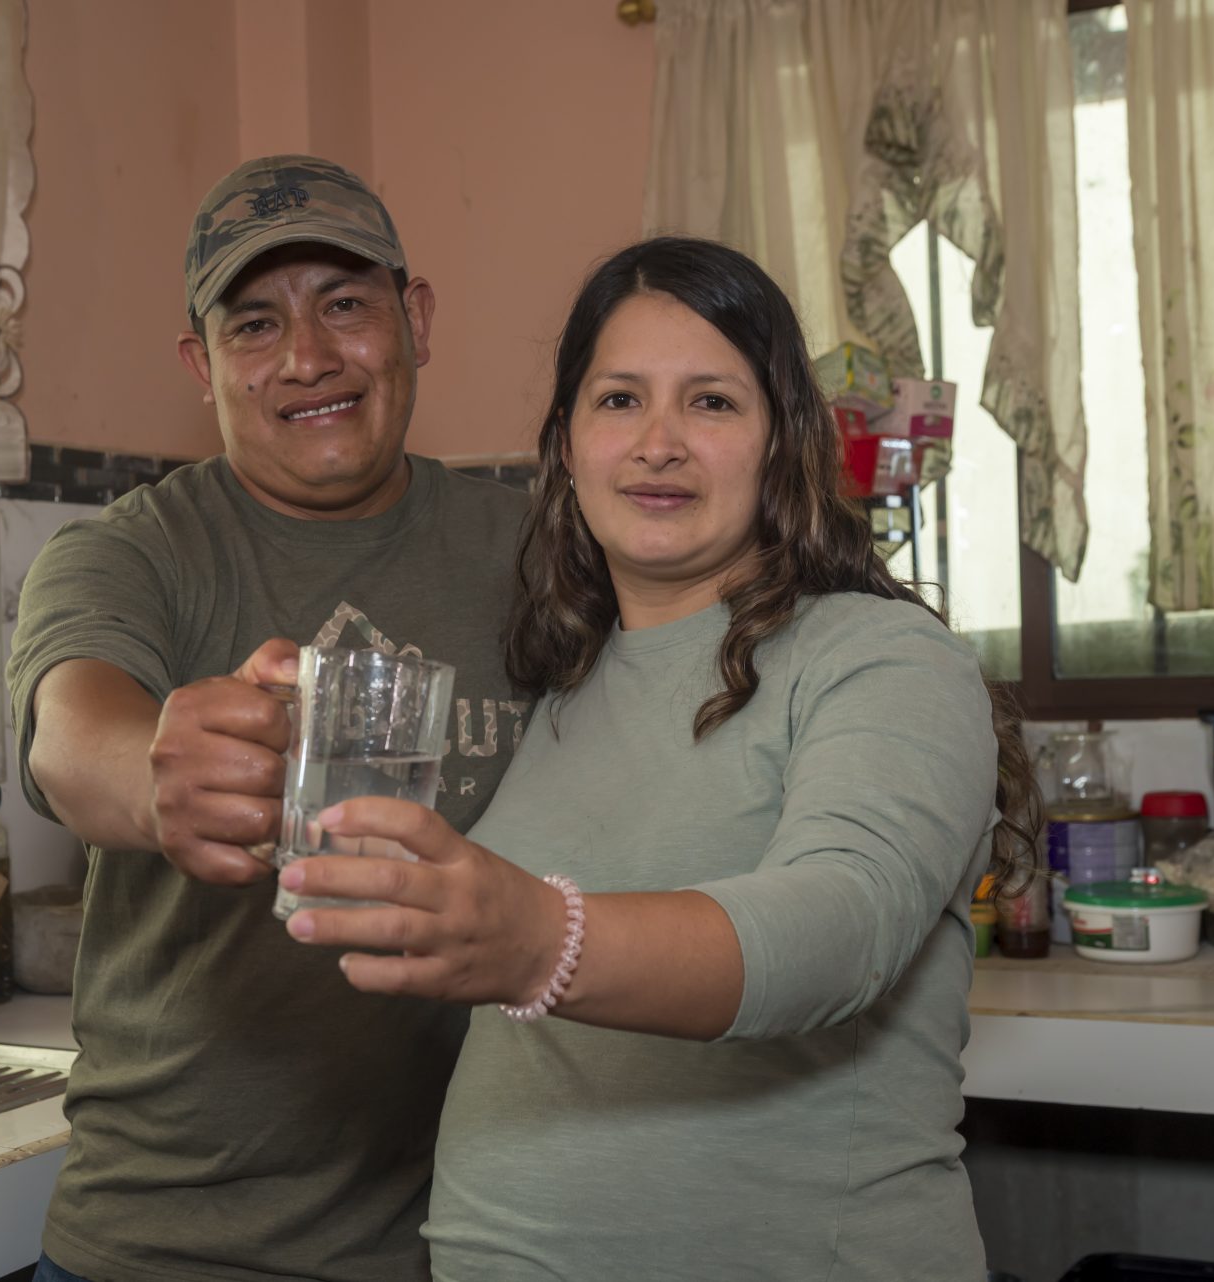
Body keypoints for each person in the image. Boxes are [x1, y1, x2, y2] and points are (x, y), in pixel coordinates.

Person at [279, 236, 1044, 1281]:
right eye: (620, 400)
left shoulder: (883, 659)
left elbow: (839, 927)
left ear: (786, 440)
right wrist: (285, 790)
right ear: (566, 441)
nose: (659, 444)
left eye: (713, 403)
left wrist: (543, 940)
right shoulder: (558, 685)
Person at [6, 155, 530, 1282]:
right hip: (167, 1248)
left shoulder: (536, 554)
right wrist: (162, 779)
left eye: (345, 304)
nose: (307, 358)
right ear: (201, 364)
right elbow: (72, 730)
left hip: (467, 1239)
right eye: (254, 324)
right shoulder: (131, 551)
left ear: (416, 318)